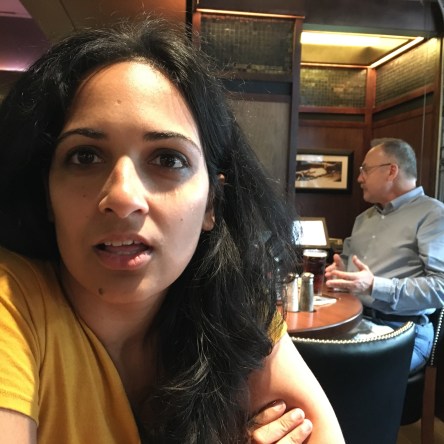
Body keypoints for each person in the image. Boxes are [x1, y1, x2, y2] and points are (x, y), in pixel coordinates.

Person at [0, 17, 344, 444]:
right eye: (85, 156)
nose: (123, 197)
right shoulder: (11, 302)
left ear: (212, 203)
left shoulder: (235, 311)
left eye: (168, 159)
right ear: (46, 194)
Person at [325, 138, 444, 372]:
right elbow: (350, 273)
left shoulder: (433, 215)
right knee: (301, 359)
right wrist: (341, 276)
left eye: (365, 170)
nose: (359, 178)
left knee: (340, 372)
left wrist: (374, 286)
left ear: (391, 171)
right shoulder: (363, 219)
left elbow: (440, 288)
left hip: (403, 331)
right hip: (354, 321)